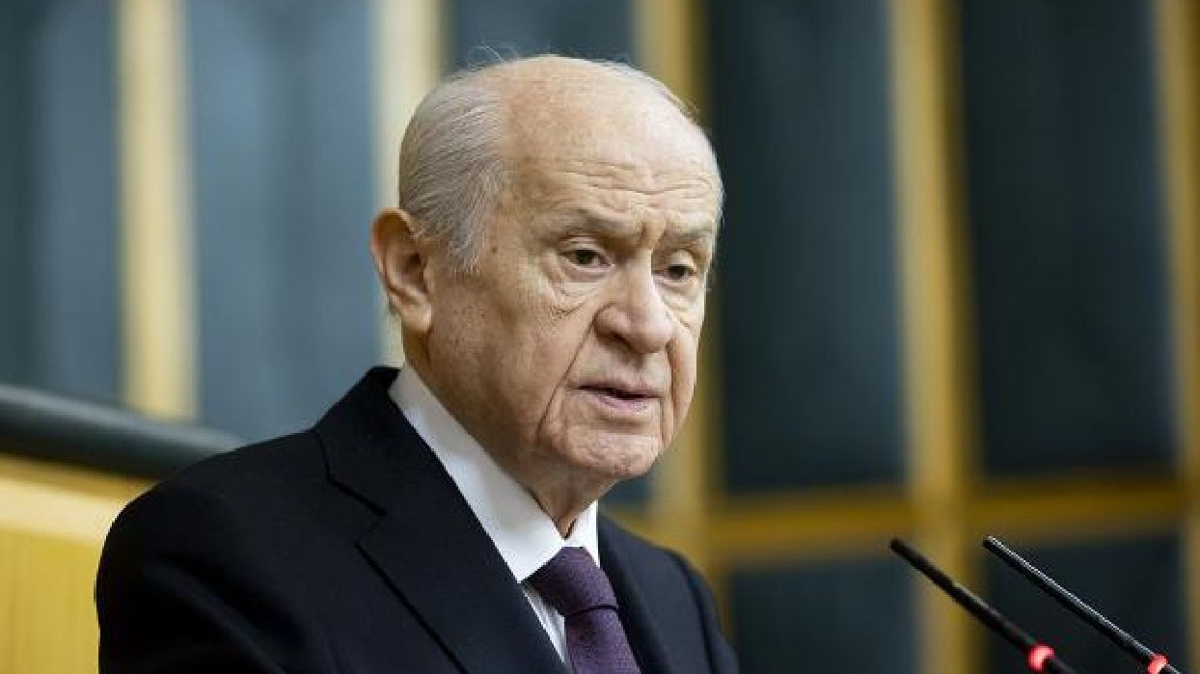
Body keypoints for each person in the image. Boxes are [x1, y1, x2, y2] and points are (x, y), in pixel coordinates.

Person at [97, 55, 736, 673]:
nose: (648, 326)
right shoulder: (226, 554)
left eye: (679, 270)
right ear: (415, 271)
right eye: (584, 256)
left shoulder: (673, 600)